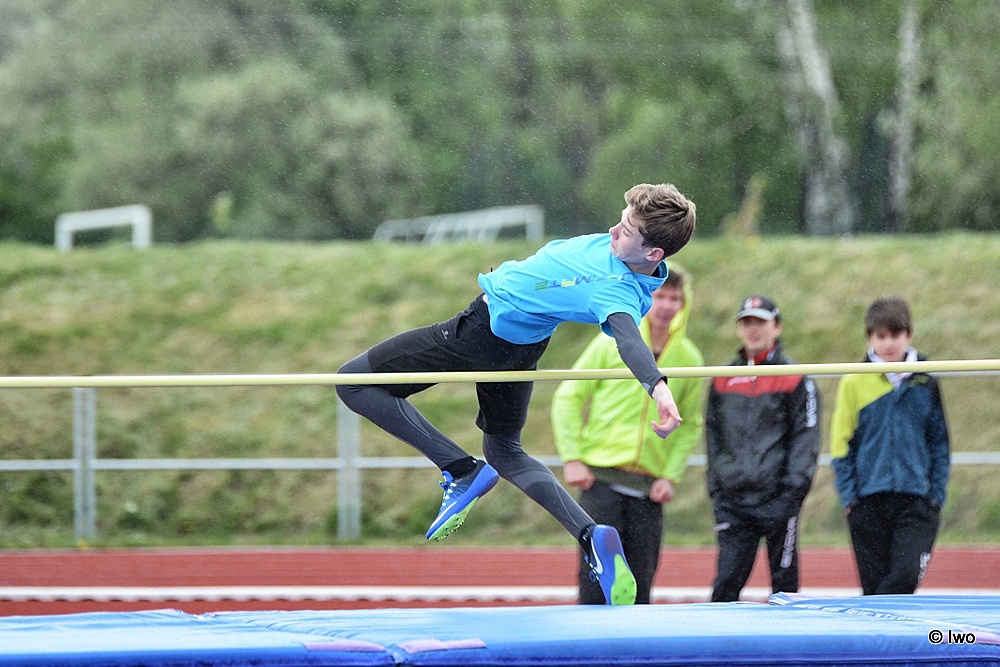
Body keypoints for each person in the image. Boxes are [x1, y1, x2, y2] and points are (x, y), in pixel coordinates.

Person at [336, 183, 696, 606]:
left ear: (653, 253)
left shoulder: (617, 290)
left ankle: (460, 469)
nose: (613, 230)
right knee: (504, 451)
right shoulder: (630, 255)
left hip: (480, 331)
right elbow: (645, 228)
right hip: (521, 346)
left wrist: (657, 387)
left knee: (353, 381)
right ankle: (590, 534)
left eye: (626, 230)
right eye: (621, 220)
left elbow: (629, 341)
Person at [551, 267, 705, 604]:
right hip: (601, 483)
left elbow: (691, 424)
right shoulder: (611, 342)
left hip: (648, 492)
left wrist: (670, 475)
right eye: (660, 296)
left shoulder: (689, 357)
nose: (667, 305)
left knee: (640, 586)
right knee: (596, 582)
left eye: (675, 298)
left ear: (684, 304)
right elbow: (568, 396)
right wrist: (572, 457)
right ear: (647, 297)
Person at [830, 296, 950, 595]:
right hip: (867, 500)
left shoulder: (925, 380)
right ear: (869, 338)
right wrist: (849, 498)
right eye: (881, 336)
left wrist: (935, 496)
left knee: (905, 577)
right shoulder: (854, 381)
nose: (888, 343)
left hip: (916, 499)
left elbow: (939, 442)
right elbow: (840, 445)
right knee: (873, 590)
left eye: (895, 335)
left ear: (908, 335)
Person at [705, 295, 820, 602]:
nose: (753, 329)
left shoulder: (795, 377)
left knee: (785, 590)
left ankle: (789, 637)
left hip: (778, 500)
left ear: (777, 327)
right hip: (733, 502)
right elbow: (713, 437)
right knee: (725, 586)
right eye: (746, 322)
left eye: (760, 322)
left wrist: (791, 493)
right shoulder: (723, 379)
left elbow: (805, 438)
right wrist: (717, 488)